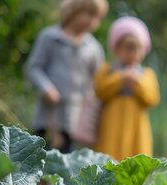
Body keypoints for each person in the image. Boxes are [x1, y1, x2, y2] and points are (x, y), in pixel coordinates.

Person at [26, 0, 108, 153]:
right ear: (74, 11)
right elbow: (33, 68)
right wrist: (46, 88)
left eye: (97, 18)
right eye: (90, 14)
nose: (93, 22)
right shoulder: (50, 37)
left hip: (74, 119)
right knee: (37, 155)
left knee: (66, 162)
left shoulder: (93, 48)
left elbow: (99, 81)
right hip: (48, 114)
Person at [93, 16, 160, 161]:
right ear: (117, 48)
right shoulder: (107, 70)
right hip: (111, 126)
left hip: (137, 128)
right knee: (108, 159)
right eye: (129, 48)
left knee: (136, 160)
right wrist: (120, 78)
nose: (133, 54)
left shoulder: (147, 74)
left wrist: (137, 82)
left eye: (138, 49)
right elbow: (100, 91)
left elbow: (152, 98)